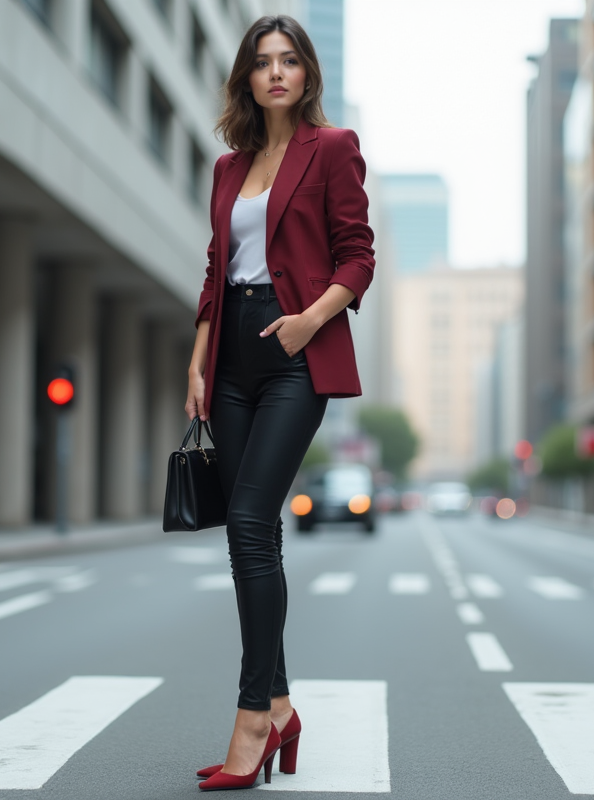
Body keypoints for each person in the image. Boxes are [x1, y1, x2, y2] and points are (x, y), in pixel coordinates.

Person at [184, 15, 374, 792]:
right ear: (247, 78)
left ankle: (251, 719)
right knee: (253, 534)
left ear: (306, 73)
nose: (275, 73)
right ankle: (283, 709)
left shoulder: (332, 148)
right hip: (229, 357)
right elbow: (214, 269)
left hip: (295, 352)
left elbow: (357, 257)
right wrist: (198, 361)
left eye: (289, 60)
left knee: (249, 524)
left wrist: (308, 322)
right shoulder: (229, 167)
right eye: (262, 61)